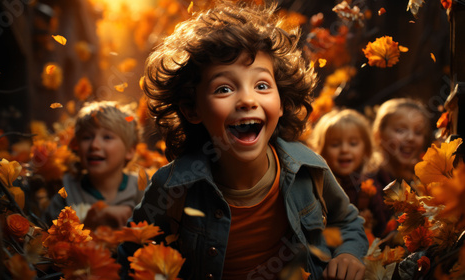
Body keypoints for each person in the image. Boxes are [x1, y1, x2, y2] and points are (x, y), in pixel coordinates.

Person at [118, 2, 368, 280]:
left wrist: (348, 253)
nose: (248, 100)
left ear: (282, 102)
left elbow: (346, 220)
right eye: (224, 88)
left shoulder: (308, 168)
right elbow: (130, 252)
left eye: (262, 85)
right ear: (192, 109)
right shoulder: (174, 187)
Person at [43, 101, 144, 229]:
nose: (94, 145)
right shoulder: (67, 192)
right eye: (87, 137)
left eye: (107, 137)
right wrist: (89, 222)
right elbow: (46, 237)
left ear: (130, 151)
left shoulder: (141, 189)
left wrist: (131, 217)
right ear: (77, 146)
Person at [309, 109, 387, 238]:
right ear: (321, 150)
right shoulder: (317, 186)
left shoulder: (369, 188)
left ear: (366, 149)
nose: (344, 150)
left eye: (353, 144)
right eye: (335, 144)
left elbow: (382, 227)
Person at [370, 98, 432, 230]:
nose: (410, 137)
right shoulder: (369, 183)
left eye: (418, 132)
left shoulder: (419, 182)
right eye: (400, 130)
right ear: (378, 135)